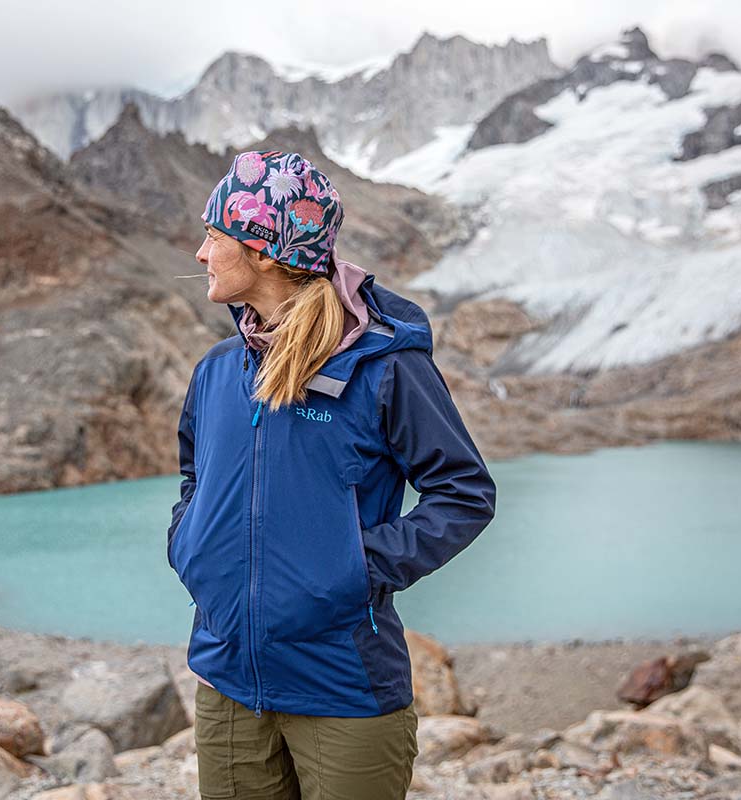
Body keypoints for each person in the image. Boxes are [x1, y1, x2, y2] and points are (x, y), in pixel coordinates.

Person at [168, 149, 497, 799]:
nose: (201, 255)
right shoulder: (215, 373)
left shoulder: (383, 368)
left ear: (263, 250)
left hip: (343, 687)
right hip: (228, 685)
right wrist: (191, 546)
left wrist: (357, 565)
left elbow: (463, 493)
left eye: (213, 236)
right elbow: (192, 478)